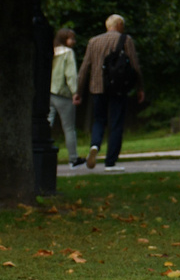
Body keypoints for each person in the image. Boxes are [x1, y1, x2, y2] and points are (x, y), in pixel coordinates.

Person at [80, 16, 144, 169]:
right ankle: (110, 162)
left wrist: (78, 91)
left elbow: (84, 68)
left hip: (97, 87)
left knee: (99, 120)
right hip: (118, 87)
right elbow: (135, 65)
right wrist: (140, 87)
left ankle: (95, 145)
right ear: (120, 25)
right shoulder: (126, 40)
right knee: (116, 123)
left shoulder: (93, 41)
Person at [50, 28, 82, 167]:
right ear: (65, 39)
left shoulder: (51, 51)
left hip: (49, 92)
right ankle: (73, 158)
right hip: (63, 93)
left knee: (47, 124)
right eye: (71, 38)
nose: (74, 41)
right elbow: (70, 74)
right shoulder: (68, 53)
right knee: (69, 128)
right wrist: (75, 92)